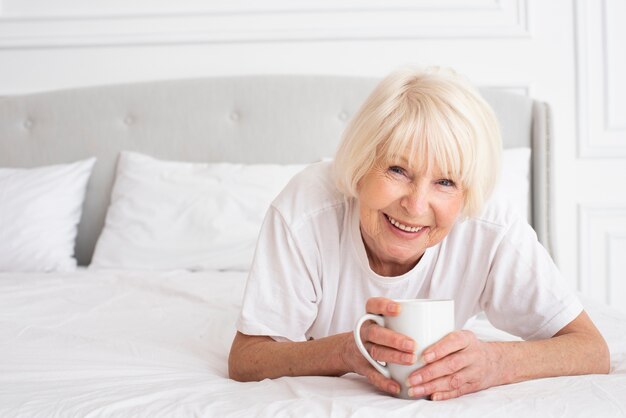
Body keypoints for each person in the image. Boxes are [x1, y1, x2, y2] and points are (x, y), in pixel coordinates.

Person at [228, 67, 609, 400]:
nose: (415, 205)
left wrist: (496, 362)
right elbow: (247, 358)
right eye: (398, 170)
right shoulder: (306, 209)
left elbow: (591, 349)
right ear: (361, 164)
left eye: (445, 182)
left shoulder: (490, 226)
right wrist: (345, 351)